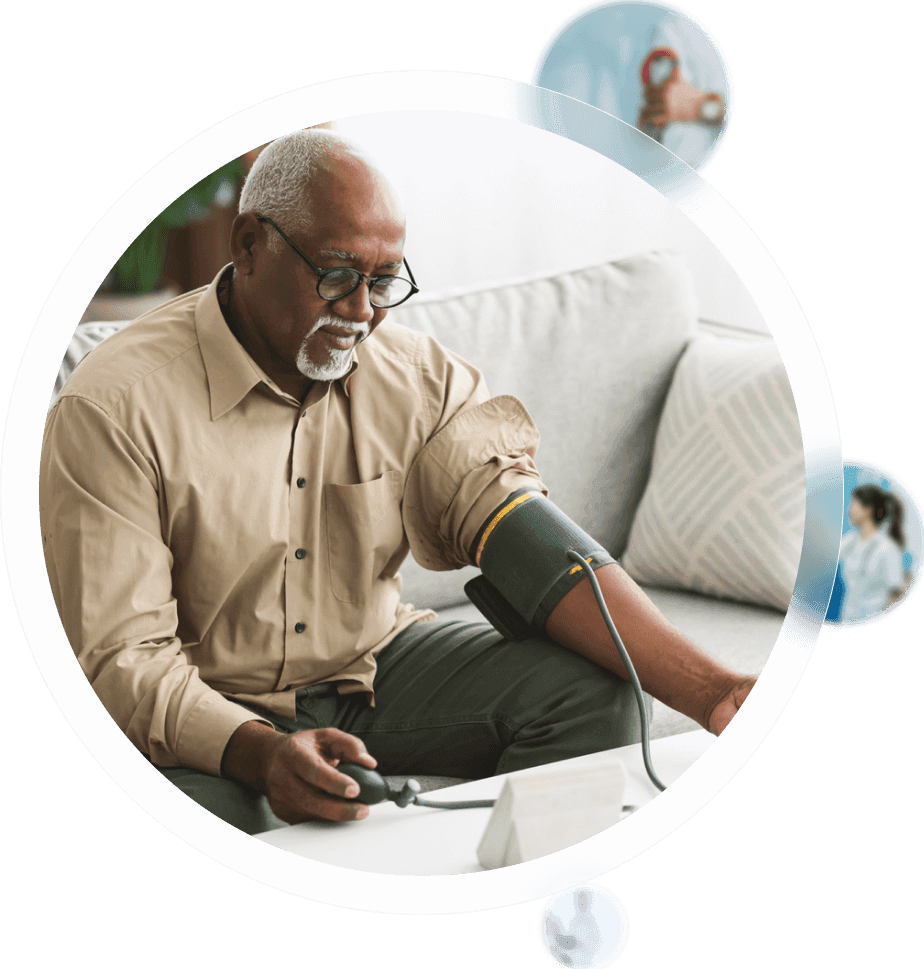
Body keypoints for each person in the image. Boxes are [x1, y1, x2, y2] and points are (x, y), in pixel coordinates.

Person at [40, 129, 756, 836]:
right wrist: (260, 754)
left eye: (385, 280)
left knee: (597, 697)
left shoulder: (417, 377)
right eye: (337, 273)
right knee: (192, 819)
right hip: (214, 700)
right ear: (249, 245)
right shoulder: (113, 405)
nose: (362, 310)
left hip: (372, 667)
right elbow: (121, 659)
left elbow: (523, 536)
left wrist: (715, 692)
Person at [838, 485, 907, 623]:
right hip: (848, 618)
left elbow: (898, 593)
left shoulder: (887, 548)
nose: (849, 510)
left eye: (854, 504)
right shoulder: (849, 541)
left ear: (868, 510)